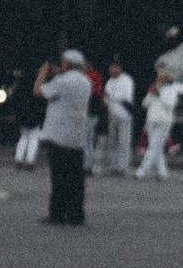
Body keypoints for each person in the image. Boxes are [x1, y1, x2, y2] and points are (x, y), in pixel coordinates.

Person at [33, 47, 93, 226]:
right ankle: (76, 213)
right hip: (76, 135)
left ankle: (57, 213)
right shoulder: (85, 81)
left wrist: (42, 74)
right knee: (75, 178)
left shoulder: (62, 81)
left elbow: (39, 91)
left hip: (58, 134)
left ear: (66, 63)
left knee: (59, 177)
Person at [135, 72, 180, 179]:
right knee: (157, 148)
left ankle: (142, 171)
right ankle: (162, 172)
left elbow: (169, 104)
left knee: (153, 147)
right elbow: (145, 104)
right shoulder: (154, 89)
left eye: (162, 78)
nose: (159, 79)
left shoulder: (172, 90)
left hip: (163, 122)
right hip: (151, 121)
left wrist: (158, 94)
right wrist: (151, 94)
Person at [102, 57, 136, 177]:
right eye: (110, 68)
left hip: (124, 114)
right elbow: (106, 96)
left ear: (119, 68)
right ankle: (114, 165)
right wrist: (108, 98)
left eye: (114, 67)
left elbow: (125, 97)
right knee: (113, 141)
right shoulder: (110, 81)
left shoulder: (126, 80)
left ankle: (123, 166)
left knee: (124, 141)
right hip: (112, 114)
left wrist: (111, 97)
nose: (111, 70)